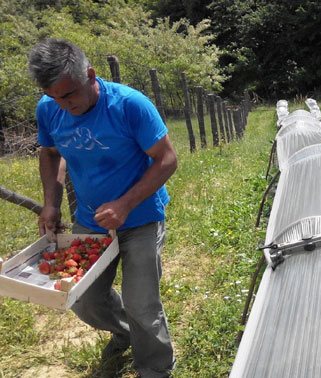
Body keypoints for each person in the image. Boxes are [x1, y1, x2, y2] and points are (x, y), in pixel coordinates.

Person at [29, 38, 177, 377]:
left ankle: (155, 368)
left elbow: (167, 159)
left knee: (143, 302)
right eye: (54, 97)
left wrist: (125, 204)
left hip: (140, 216)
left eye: (69, 95)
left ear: (90, 75)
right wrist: (51, 204)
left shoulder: (129, 105)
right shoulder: (48, 108)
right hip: (91, 220)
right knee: (84, 299)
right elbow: (50, 153)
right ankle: (126, 333)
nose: (63, 106)